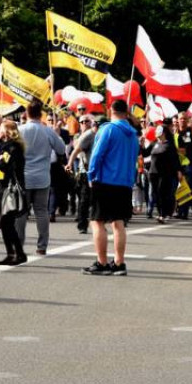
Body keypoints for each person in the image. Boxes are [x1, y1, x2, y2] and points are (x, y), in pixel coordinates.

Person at [82, 99, 139, 276]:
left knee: (97, 221)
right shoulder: (133, 134)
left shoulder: (108, 129)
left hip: (106, 180)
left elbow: (97, 155)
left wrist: (91, 175)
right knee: (118, 223)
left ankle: (102, 262)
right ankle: (119, 263)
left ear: (110, 110)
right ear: (126, 112)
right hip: (124, 182)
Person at [17, 100, 66, 256]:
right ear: (41, 114)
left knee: (21, 212)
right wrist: (57, 135)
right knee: (41, 212)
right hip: (42, 177)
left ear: (27, 113)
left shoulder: (19, 130)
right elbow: (61, 150)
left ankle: (18, 245)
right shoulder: (47, 131)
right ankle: (42, 246)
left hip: (23, 176)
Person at [0, 119, 27, 266]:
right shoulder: (3, 147)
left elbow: (4, 166)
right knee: (5, 224)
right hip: (3, 189)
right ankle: (14, 254)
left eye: (1, 128)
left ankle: (17, 254)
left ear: (8, 132)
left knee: (6, 223)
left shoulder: (12, 147)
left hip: (11, 190)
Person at [66, 115, 97, 235]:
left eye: (87, 121)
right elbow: (75, 151)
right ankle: (82, 225)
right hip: (85, 171)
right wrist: (69, 163)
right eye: (82, 122)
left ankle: (97, 224)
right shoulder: (87, 135)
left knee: (95, 199)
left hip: (97, 171)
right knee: (84, 199)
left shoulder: (100, 135)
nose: (85, 123)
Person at [146, 123, 180, 225]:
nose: (156, 132)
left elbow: (175, 159)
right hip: (153, 173)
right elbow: (145, 153)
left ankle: (163, 214)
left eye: (158, 130)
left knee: (163, 194)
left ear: (163, 133)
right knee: (155, 194)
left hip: (164, 173)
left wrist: (178, 171)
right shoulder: (154, 144)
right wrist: (141, 144)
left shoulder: (169, 145)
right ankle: (161, 213)